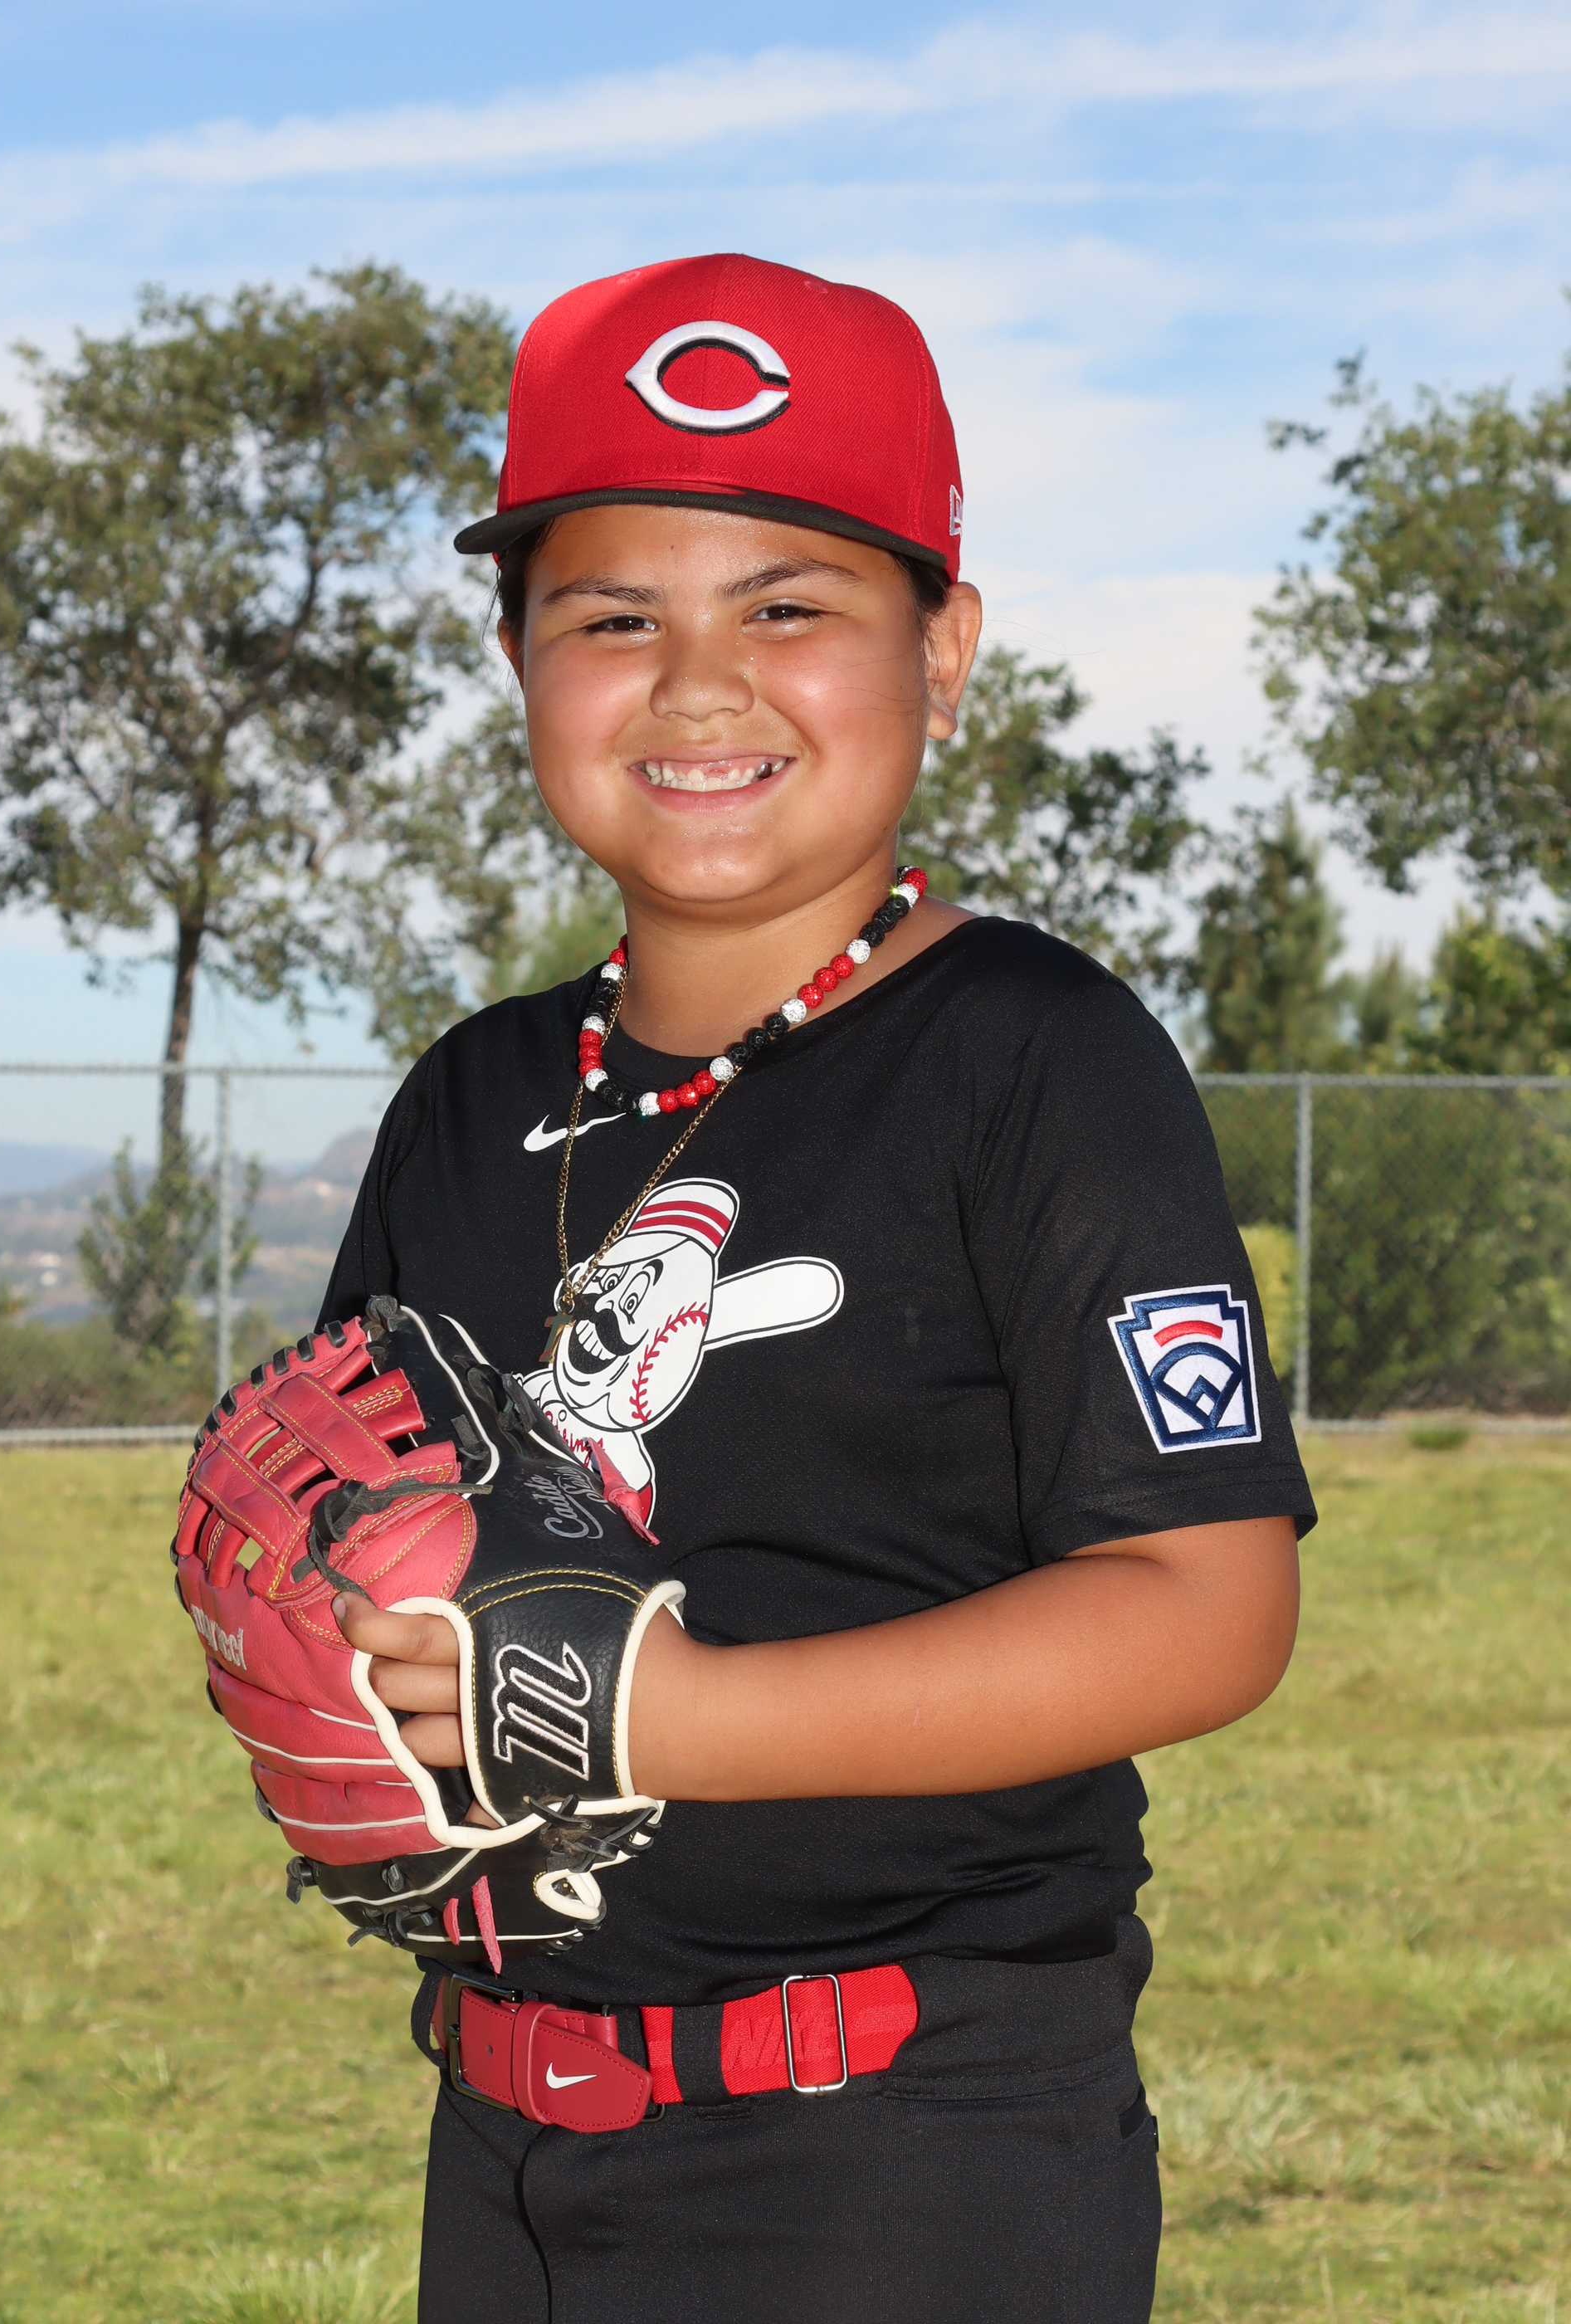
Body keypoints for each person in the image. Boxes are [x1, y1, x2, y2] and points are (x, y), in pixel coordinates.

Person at [319, 251, 1314, 2324]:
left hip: (905, 2145)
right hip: (504, 2127)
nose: (700, 685)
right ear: (516, 656)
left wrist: (670, 1713)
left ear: (942, 652)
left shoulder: (1033, 1056)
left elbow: (1207, 1601)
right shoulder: (472, 1095)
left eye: (788, 606)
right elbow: (368, 1526)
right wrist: (342, 1657)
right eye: (613, 616)